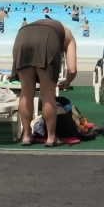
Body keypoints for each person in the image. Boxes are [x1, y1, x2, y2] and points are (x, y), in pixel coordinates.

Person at [11, 18, 77, 147]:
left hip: (22, 36)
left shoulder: (39, 23)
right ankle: (51, 137)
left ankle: (26, 135)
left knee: (26, 92)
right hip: (48, 39)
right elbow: (72, 69)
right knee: (47, 93)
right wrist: (68, 82)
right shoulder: (68, 35)